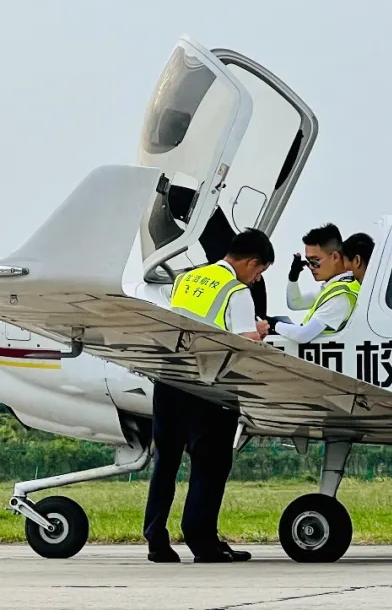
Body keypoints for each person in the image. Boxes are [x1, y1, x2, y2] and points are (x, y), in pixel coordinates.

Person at [143, 228, 273, 564]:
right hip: (209, 386)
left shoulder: (187, 279)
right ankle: (202, 542)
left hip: (169, 379)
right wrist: (260, 331)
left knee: (166, 461)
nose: (257, 279)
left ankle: (156, 539)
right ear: (252, 262)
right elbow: (244, 343)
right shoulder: (237, 291)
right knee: (210, 464)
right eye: (259, 271)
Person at [272, 223, 359, 343]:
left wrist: (274, 325)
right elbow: (295, 303)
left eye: (315, 261)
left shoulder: (341, 295)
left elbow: (303, 335)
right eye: (308, 262)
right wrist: (293, 278)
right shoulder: (335, 287)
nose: (311, 267)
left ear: (335, 257)